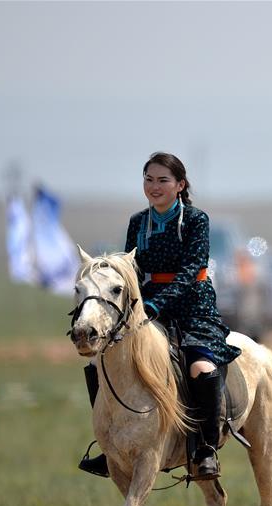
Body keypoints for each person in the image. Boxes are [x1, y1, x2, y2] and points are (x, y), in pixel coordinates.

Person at [78, 152, 240, 480]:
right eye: (149, 179)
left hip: (193, 307)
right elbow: (130, 268)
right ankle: (107, 444)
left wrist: (156, 303)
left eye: (163, 180)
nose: (155, 186)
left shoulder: (197, 220)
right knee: (99, 363)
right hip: (146, 309)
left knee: (200, 366)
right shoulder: (138, 222)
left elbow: (191, 270)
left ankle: (205, 448)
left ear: (180, 185)